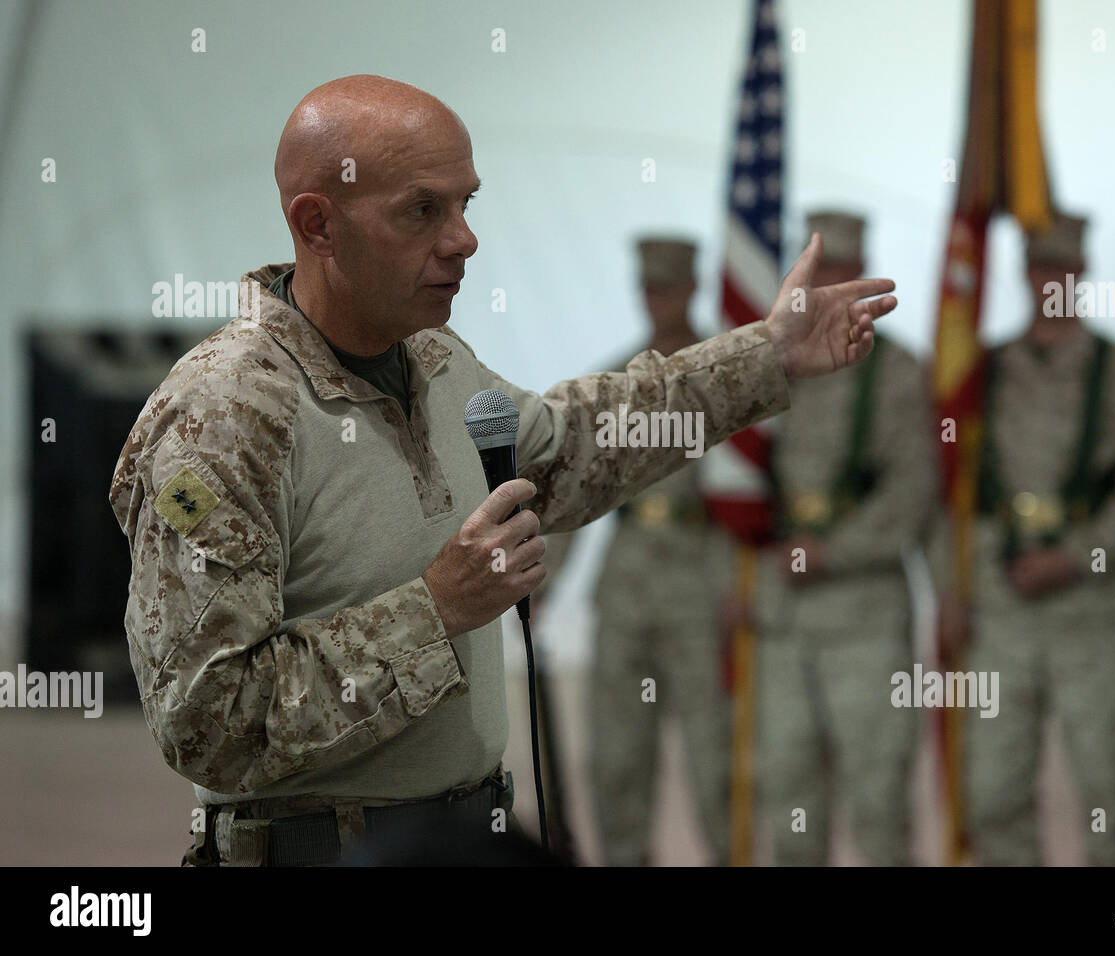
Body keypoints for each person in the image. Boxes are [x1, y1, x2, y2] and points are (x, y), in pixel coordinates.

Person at [106, 74, 897, 866]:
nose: (463, 239)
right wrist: (438, 608)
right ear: (318, 224)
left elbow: (579, 443)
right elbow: (207, 723)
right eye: (423, 210)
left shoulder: (435, 361)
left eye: (465, 205)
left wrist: (767, 355)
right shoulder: (223, 418)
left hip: (458, 843)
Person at [941, 212, 1115, 865]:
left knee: (1108, 798)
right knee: (994, 794)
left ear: (1084, 273)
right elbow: (950, 493)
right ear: (1024, 272)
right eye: (1042, 267)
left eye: (1065, 269)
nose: (1053, 281)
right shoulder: (980, 377)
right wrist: (949, 589)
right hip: (1000, 611)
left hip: (1091, 613)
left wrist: (1074, 559)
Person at [546, 237, 736, 866]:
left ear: (693, 287)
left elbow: (758, 496)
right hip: (627, 583)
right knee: (618, 761)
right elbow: (576, 489)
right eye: (649, 288)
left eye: (670, 287)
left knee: (720, 765)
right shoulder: (616, 385)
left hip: (707, 583)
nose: (659, 300)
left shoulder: (727, 378)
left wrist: (751, 584)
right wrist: (540, 583)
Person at [756, 211, 937, 865]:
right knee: (789, 795)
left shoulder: (897, 371)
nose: (828, 283)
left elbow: (913, 492)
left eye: (842, 269)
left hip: (865, 611)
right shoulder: (766, 365)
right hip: (782, 615)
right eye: (818, 269)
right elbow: (737, 476)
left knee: (877, 793)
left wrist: (831, 551)